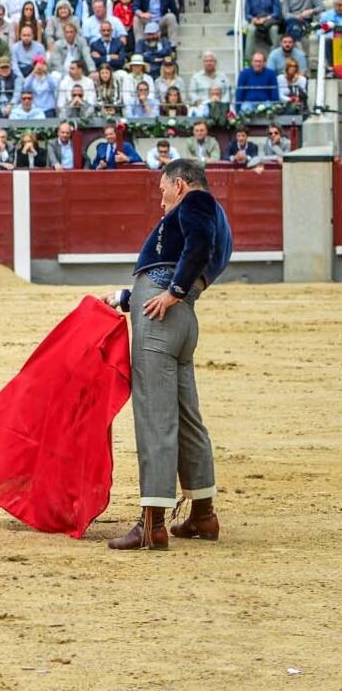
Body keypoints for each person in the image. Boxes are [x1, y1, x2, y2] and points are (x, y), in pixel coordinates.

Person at [101, 158, 233, 550]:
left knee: (154, 418)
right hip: (180, 322)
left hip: (161, 325)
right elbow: (179, 265)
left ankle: (152, 525)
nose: (161, 202)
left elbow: (195, 248)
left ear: (180, 184)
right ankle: (203, 515)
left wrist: (172, 292)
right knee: (187, 418)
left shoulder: (197, 202)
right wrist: (128, 298)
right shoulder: (217, 216)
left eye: (163, 191)